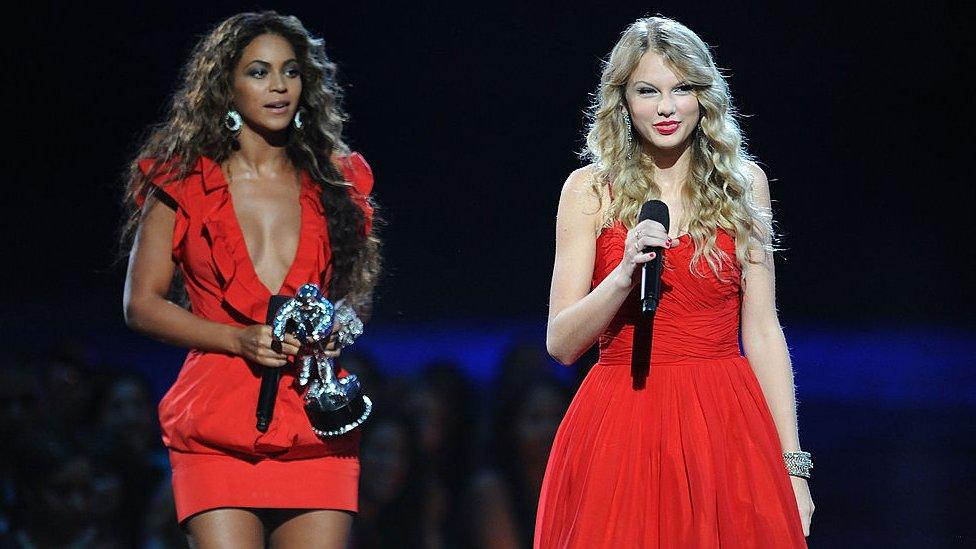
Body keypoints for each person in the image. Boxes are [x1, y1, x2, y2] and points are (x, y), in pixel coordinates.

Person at [535, 16, 814, 547]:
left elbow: (761, 330)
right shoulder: (589, 191)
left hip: (725, 423)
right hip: (624, 421)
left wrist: (793, 466)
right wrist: (621, 277)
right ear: (623, 100)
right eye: (648, 91)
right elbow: (561, 342)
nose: (666, 108)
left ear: (704, 96)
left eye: (681, 89)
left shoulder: (744, 185)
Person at [121, 11, 380, 547]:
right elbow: (141, 304)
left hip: (315, 421)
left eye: (290, 71)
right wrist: (234, 338)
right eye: (259, 72)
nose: (279, 86)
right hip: (216, 424)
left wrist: (338, 327)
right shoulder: (182, 179)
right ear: (226, 85)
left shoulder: (338, 178)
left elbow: (355, 296)